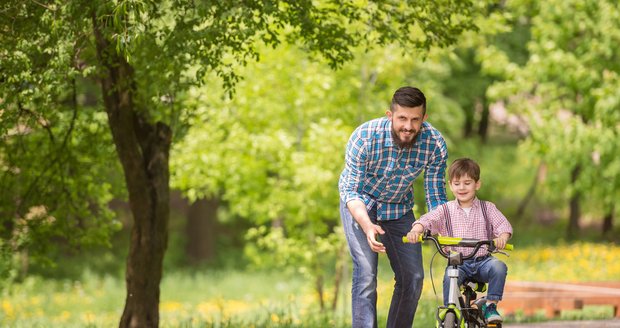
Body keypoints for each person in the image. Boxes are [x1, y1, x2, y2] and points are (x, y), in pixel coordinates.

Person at [338, 86, 448, 328]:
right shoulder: (364, 137)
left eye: (414, 120)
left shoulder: (435, 144)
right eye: (402, 119)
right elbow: (350, 191)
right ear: (390, 115)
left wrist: (438, 225)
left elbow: (435, 195)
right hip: (361, 205)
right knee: (366, 274)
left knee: (414, 277)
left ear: (424, 119)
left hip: (399, 208)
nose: (408, 126)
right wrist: (367, 225)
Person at [406, 157, 513, 323]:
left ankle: (490, 305)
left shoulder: (487, 208)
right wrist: (416, 230)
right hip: (458, 263)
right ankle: (451, 309)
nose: (462, 188)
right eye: (457, 183)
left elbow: (503, 226)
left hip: (483, 261)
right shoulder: (445, 210)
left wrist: (502, 238)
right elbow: (428, 220)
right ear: (450, 185)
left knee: (499, 267)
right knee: (450, 276)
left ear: (477, 184)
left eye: (467, 183)